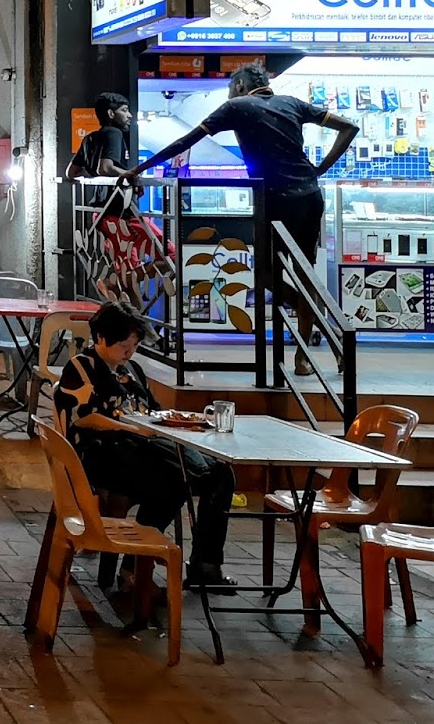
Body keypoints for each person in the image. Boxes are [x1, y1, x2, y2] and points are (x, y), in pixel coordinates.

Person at [125, 63, 358, 372]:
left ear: (238, 85)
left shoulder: (236, 106)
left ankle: (310, 340)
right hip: (308, 196)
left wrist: (138, 169)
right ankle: (307, 355)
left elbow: (185, 141)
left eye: (230, 87)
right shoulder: (293, 103)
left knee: (263, 274)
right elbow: (349, 128)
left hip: (273, 199)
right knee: (305, 274)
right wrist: (320, 170)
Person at [52, 304, 237, 592]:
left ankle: (206, 564)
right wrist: (127, 427)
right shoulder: (80, 366)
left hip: (145, 447)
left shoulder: (132, 370)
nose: (130, 352)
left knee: (222, 473)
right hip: (104, 454)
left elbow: (153, 411)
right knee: (175, 479)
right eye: (124, 345)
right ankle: (135, 569)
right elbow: (84, 417)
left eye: (134, 345)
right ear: (101, 338)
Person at [68, 92, 175, 307]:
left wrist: (93, 177)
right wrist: (131, 176)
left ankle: (139, 329)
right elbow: (105, 167)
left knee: (129, 273)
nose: (130, 115)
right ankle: (116, 286)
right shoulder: (114, 133)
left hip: (102, 214)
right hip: (121, 213)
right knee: (170, 256)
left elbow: (71, 172)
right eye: (124, 110)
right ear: (110, 113)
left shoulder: (90, 138)